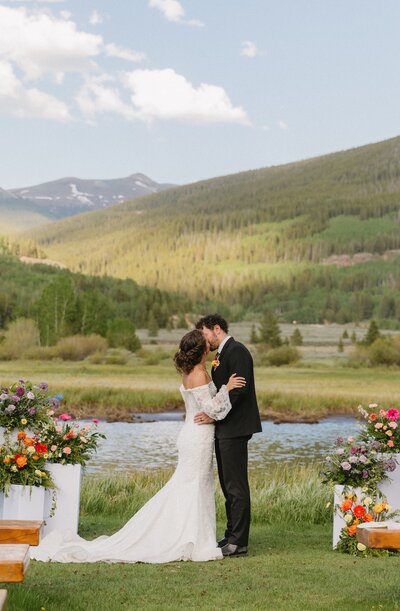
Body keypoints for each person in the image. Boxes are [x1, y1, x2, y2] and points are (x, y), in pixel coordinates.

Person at [31, 329, 245, 564]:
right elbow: (211, 409)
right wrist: (228, 388)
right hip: (197, 436)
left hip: (194, 434)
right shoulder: (199, 374)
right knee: (193, 484)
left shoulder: (190, 372)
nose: (210, 344)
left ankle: (192, 536)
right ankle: (190, 539)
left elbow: (207, 408)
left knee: (195, 484)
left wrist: (215, 403)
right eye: (207, 343)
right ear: (202, 349)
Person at [195, 314, 262, 557]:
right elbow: (225, 390)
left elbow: (239, 392)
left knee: (236, 486)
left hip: (235, 428)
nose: (204, 340)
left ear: (216, 329)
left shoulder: (237, 351)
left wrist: (214, 416)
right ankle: (231, 534)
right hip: (226, 428)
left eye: (204, 334)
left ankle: (239, 542)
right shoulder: (222, 354)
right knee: (227, 485)